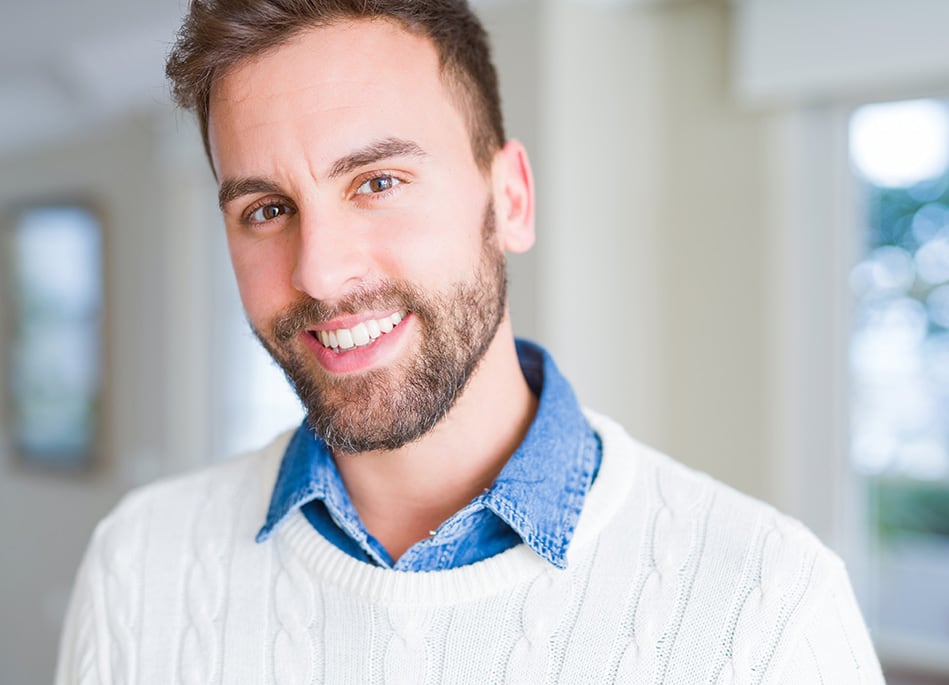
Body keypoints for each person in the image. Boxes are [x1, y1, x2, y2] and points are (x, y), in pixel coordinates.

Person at [56, 1, 884, 682]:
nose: (321, 273)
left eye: (377, 182)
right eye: (266, 209)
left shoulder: (767, 606)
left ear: (510, 200)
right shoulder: (137, 567)